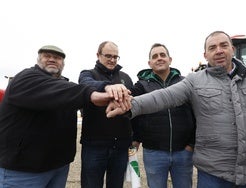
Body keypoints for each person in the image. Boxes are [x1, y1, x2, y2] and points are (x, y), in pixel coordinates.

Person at [106, 31, 246, 188]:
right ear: (205, 55)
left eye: (223, 45)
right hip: (214, 173)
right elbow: (163, 97)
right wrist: (129, 106)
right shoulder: (194, 81)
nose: (218, 50)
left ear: (232, 49)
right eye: (212, 48)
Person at [0, 45, 129, 188]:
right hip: (24, 170)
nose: (52, 59)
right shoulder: (26, 78)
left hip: (59, 167)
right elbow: (79, 87)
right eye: (47, 56)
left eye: (57, 58)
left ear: (63, 63)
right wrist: (95, 93)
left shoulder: (66, 85)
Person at [130, 43, 196, 188]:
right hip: (154, 153)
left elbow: (196, 114)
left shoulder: (185, 83)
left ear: (170, 59)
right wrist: (136, 138)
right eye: (155, 56)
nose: (159, 58)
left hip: (183, 152)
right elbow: (134, 114)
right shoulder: (141, 86)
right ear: (149, 63)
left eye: (162, 55)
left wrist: (191, 144)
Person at [78, 41, 133, 188]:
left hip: (121, 146)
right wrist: (107, 87)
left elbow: (134, 107)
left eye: (116, 56)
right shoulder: (87, 74)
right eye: (108, 56)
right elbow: (86, 84)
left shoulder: (126, 78)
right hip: (94, 145)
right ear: (98, 55)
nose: (112, 60)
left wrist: (135, 138)